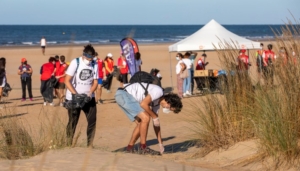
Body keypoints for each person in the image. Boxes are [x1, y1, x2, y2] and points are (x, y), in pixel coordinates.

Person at [115, 83, 183, 154]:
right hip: (123, 94)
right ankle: (143, 147)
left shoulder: (156, 103)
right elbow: (143, 104)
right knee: (146, 117)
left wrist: (160, 143)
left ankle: (130, 147)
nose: (167, 109)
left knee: (141, 123)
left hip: (122, 96)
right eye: (169, 108)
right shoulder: (158, 91)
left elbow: (156, 124)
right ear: (169, 103)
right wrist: (154, 116)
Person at [64, 44, 98, 147]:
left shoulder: (95, 64)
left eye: (92, 57)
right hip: (74, 98)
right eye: (88, 57)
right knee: (73, 122)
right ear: (84, 55)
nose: (90, 59)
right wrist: (75, 94)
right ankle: (68, 144)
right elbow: (67, 81)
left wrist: (90, 92)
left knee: (92, 121)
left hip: (88, 98)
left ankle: (90, 145)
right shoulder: (76, 62)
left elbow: (95, 82)